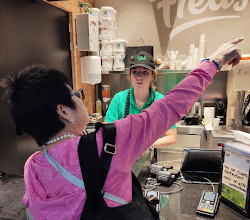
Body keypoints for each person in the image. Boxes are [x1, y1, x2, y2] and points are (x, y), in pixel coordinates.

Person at [1, 38, 242, 219]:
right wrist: (214, 61)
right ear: (63, 111)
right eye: (76, 94)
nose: (139, 77)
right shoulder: (109, 142)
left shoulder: (32, 165)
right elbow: (174, 104)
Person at [105, 51, 177, 152]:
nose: (139, 77)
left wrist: (145, 144)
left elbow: (172, 137)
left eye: (145, 72)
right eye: (135, 72)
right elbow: (106, 132)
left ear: (152, 76)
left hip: (149, 156)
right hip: (121, 155)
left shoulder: (161, 102)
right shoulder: (119, 99)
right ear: (129, 75)